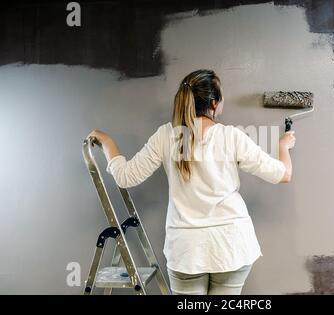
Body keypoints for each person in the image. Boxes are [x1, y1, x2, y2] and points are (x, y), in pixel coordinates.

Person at [87, 69, 296, 295]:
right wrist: (283, 146)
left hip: (186, 251)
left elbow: (125, 176)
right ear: (214, 104)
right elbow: (283, 174)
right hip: (231, 247)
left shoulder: (166, 136)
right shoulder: (232, 136)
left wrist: (107, 141)